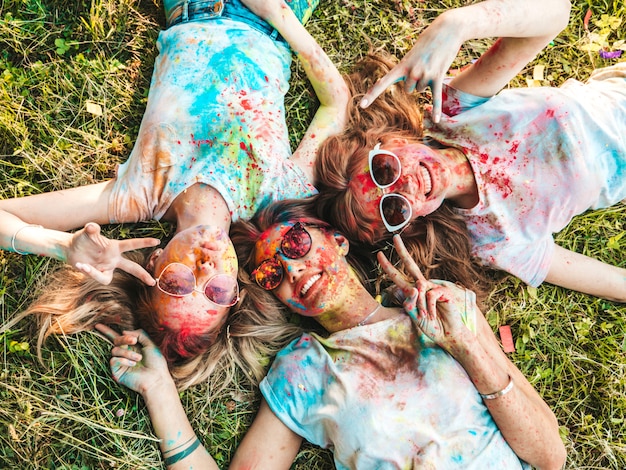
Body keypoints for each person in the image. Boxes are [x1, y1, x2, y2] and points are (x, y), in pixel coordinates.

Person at [0, 0, 349, 389]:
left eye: (179, 283)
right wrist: (278, 16)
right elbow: (336, 104)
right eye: (217, 290)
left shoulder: (136, 194)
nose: (206, 267)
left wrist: (62, 246)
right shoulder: (275, 196)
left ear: (154, 260)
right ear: (236, 288)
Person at [97, 198, 567, 469]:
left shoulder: (440, 309)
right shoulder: (304, 369)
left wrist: (469, 348)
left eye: (297, 243)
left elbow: (549, 456)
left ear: (336, 239)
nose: (294, 268)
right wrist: (160, 391)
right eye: (270, 274)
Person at [314, 0, 626, 303]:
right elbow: (611, 282)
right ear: (409, 224)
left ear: (390, 141)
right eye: (394, 209)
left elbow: (556, 11)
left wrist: (458, 23)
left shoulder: (450, 115)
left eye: (385, 170)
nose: (407, 188)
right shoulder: (491, 239)